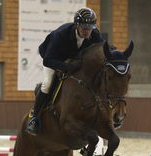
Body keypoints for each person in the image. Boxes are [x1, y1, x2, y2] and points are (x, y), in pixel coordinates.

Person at [25, 7, 104, 135]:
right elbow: (48, 60)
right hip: (53, 57)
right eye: (84, 28)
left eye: (90, 28)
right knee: (47, 84)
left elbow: (102, 51)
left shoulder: (94, 34)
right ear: (77, 25)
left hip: (74, 59)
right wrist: (67, 67)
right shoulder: (60, 35)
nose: (87, 31)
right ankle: (34, 118)